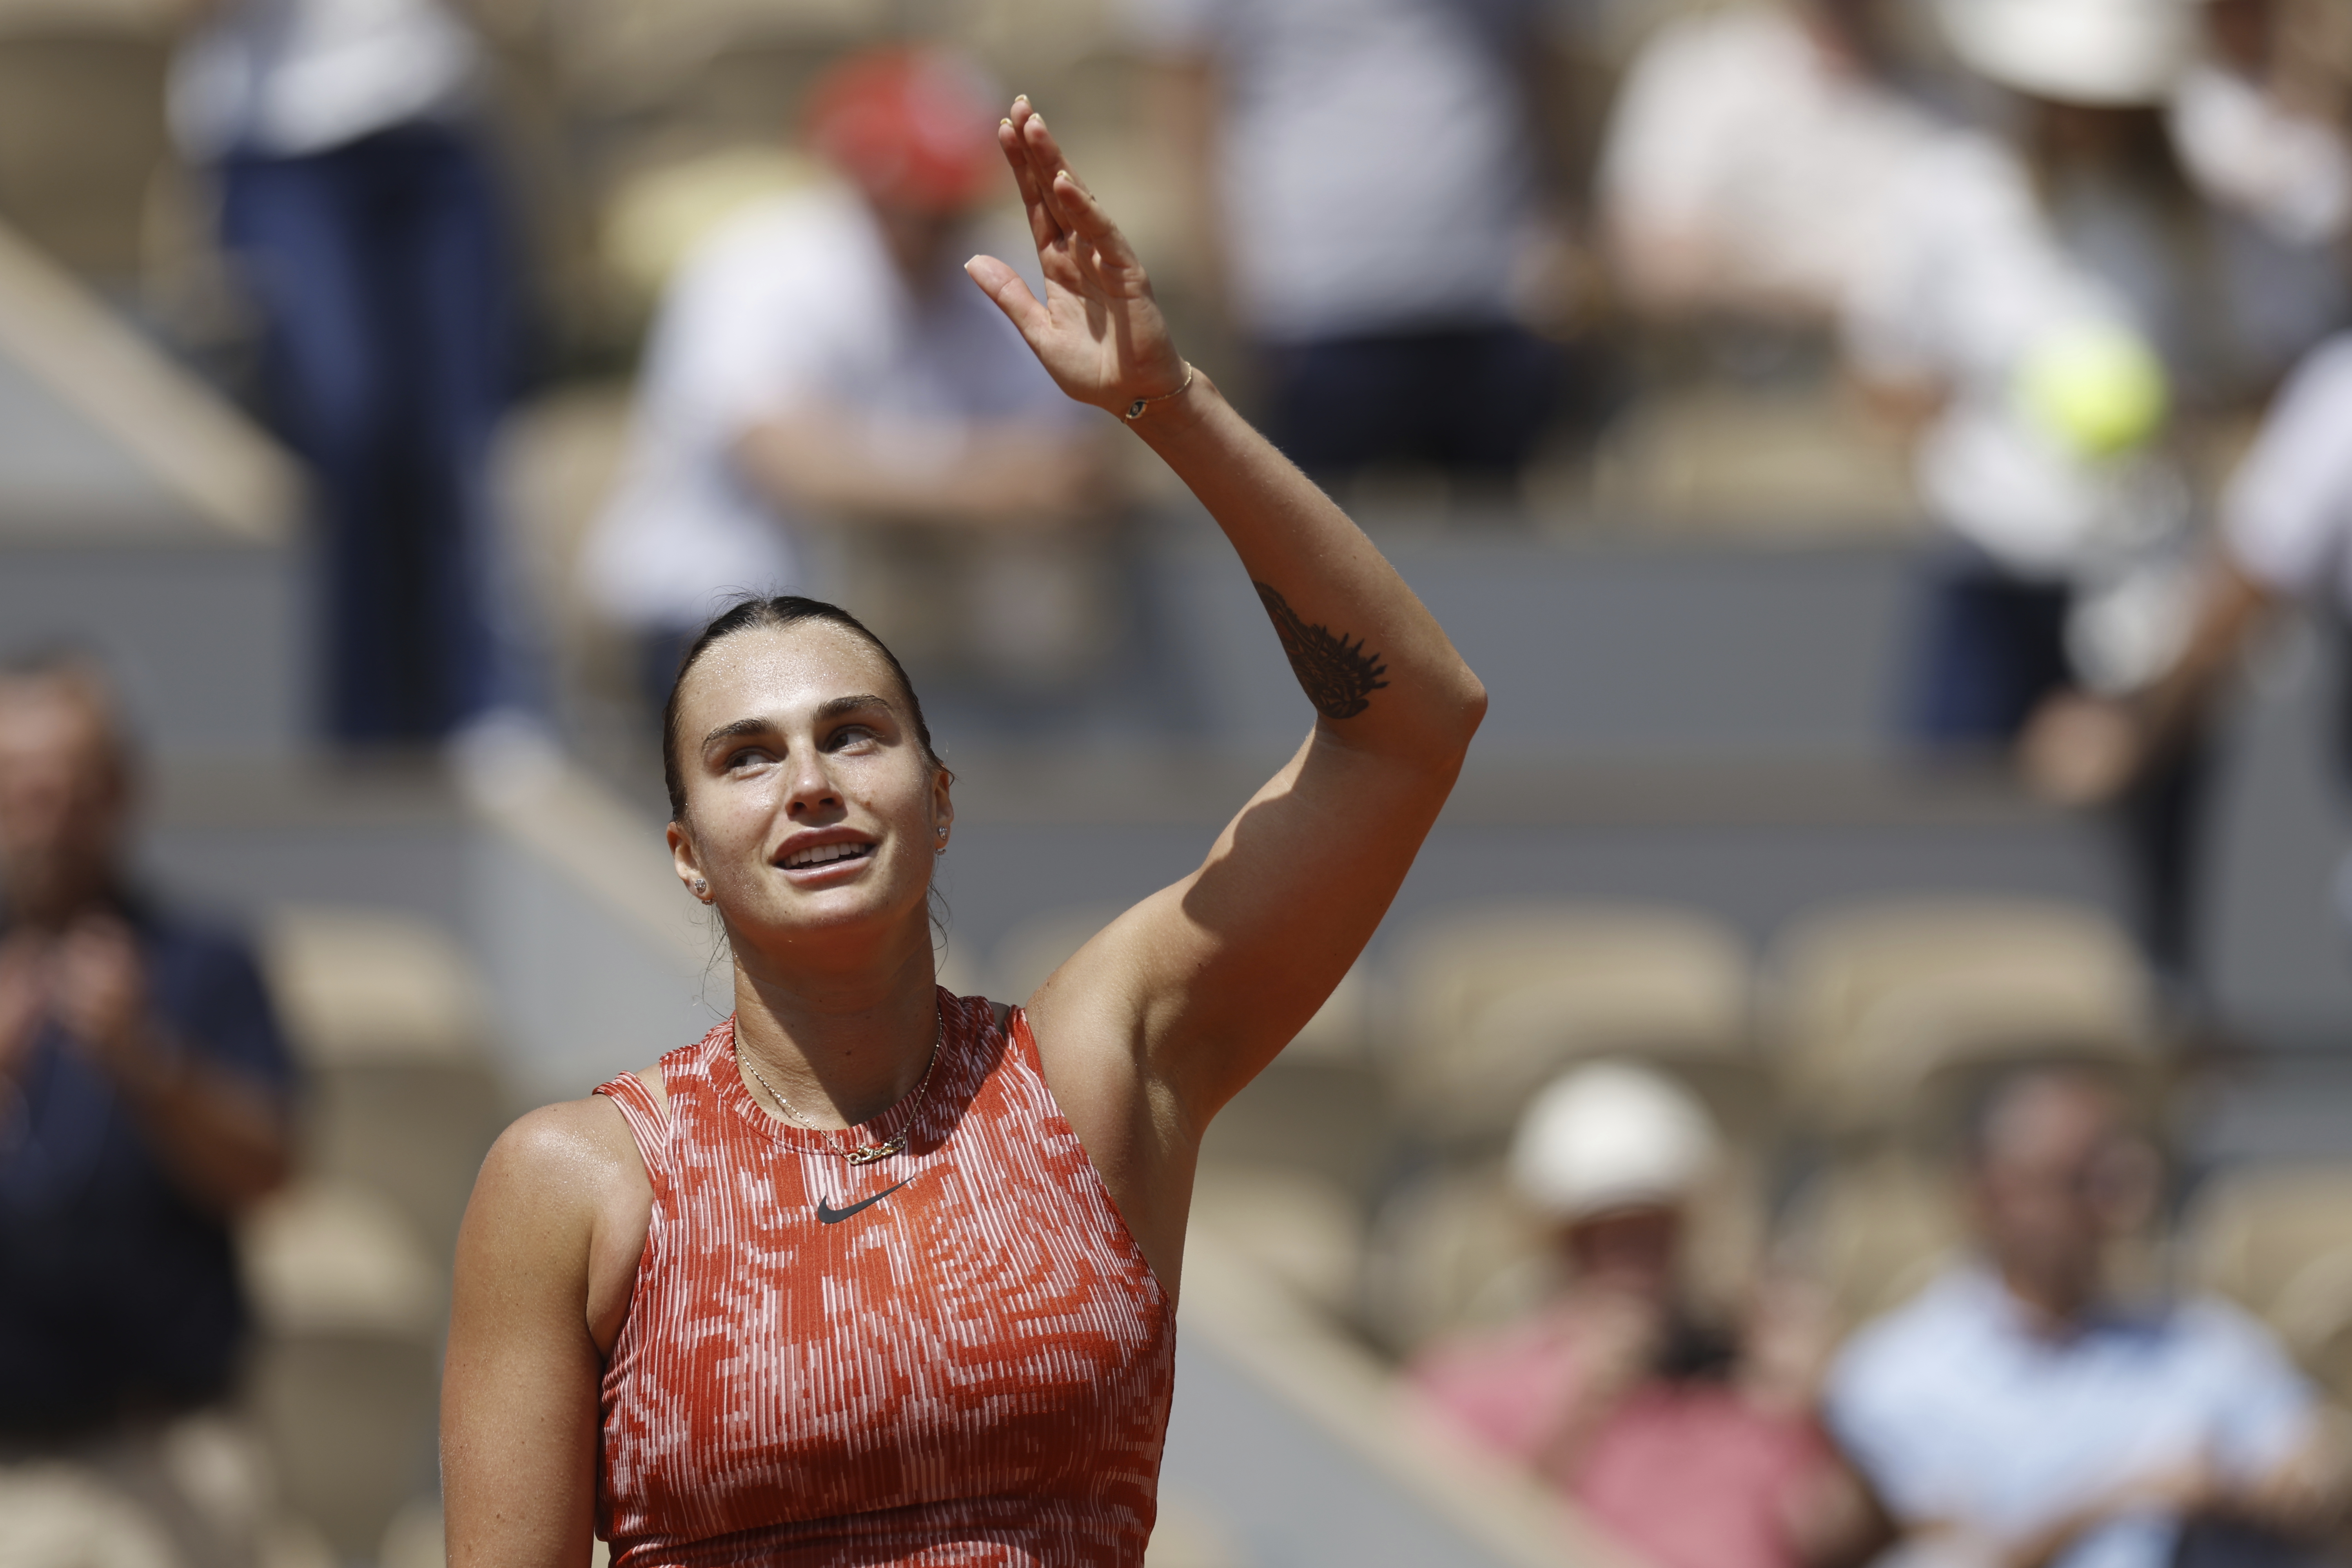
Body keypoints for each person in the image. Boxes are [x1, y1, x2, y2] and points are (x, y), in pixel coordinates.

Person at [440, 98, 1488, 1565]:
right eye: (745, 757)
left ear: (939, 800)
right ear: (686, 853)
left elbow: (1411, 722)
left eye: (853, 734)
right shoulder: (573, 1181)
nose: (808, 780)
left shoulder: (1096, 1072)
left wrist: (1167, 405)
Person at [583, 47, 1114, 708]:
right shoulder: (765, 264)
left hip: (889, 636)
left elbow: (1067, 459)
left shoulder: (995, 267)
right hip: (711, 617)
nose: (931, 221)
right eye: (914, 199)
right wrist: (982, 479)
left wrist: (1044, 476)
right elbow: (788, 462)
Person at [169, 0, 532, 752]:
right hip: (284, 155)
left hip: (437, 134)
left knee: (457, 440)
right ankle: (361, 725)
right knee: (350, 425)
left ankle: (473, 703)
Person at [0, 653, 296, 1566]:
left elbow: (270, 1171)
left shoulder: (198, 960)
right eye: (27, 785)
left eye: (75, 785)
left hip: (165, 1454)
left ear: (123, 791)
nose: (51, 814)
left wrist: (149, 1059)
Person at [1826, 1065, 2347, 1568]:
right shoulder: (1896, 1372)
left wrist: (2293, 1485)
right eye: (2079, 1181)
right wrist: (2132, 1495)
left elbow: (2308, 1459)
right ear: (1994, 1191)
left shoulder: (2203, 1341)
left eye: (2119, 1179)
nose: (2113, 1208)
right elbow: (1960, 1558)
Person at [1413, 1062, 1871, 1568]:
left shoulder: (1739, 1390)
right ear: (1559, 1243)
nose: (1633, 1261)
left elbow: (1831, 1541)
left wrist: (1822, 1415)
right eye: (1603, 1236)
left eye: (1654, 1230)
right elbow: (1441, 1544)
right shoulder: (1469, 1388)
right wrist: (1574, 1416)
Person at [1124, 0, 1570, 495]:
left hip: (1497, 291)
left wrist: (1568, 230)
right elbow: (1182, 83)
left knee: (1499, 532)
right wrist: (1220, 283)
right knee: (1302, 529)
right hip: (1310, 301)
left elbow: (1548, 58)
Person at [1595, 0, 1940, 330]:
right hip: (1750, 352)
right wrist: (1799, 298)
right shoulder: (1703, 68)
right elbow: (1649, 263)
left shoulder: (1941, 91)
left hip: (1912, 351)